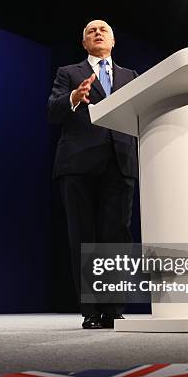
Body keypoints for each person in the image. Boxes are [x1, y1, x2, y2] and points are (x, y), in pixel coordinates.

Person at [47, 20, 138, 329]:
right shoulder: (69, 73)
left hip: (120, 162)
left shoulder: (131, 77)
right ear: (84, 43)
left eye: (104, 29)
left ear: (113, 40)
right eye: (90, 30)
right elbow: (52, 110)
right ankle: (91, 311)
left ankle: (114, 309)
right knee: (83, 237)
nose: (97, 32)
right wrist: (73, 97)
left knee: (116, 238)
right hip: (78, 163)